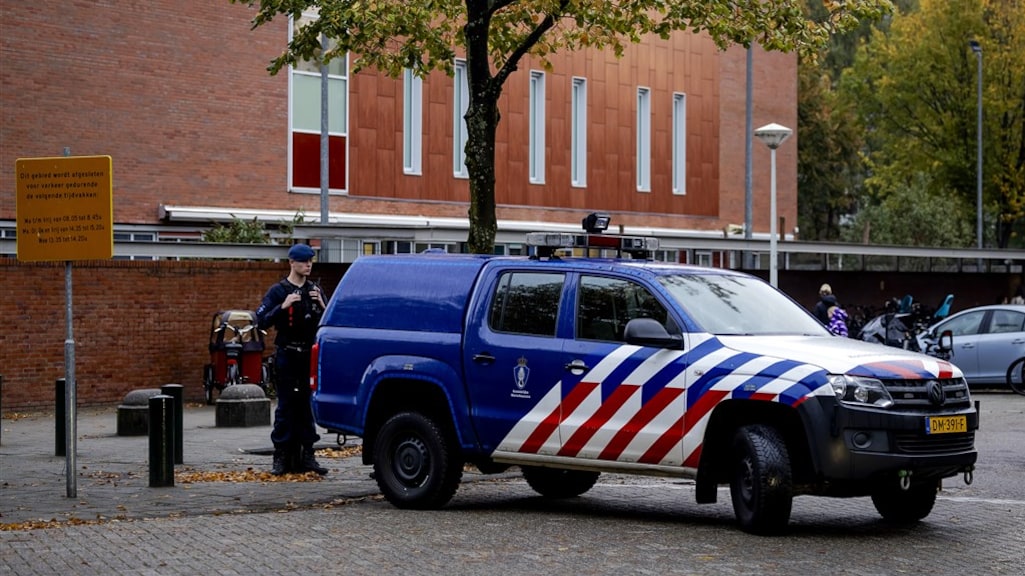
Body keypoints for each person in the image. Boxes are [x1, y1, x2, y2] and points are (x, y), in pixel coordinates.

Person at [256, 244, 329, 476]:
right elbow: (260, 320)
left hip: (308, 355)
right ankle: (281, 456)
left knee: (306, 406)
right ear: (291, 262)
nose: (308, 265)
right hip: (287, 354)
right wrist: (283, 306)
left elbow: (329, 322)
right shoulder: (279, 291)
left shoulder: (315, 290)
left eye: (310, 261)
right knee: (286, 406)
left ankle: (308, 455)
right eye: (303, 261)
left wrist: (323, 305)